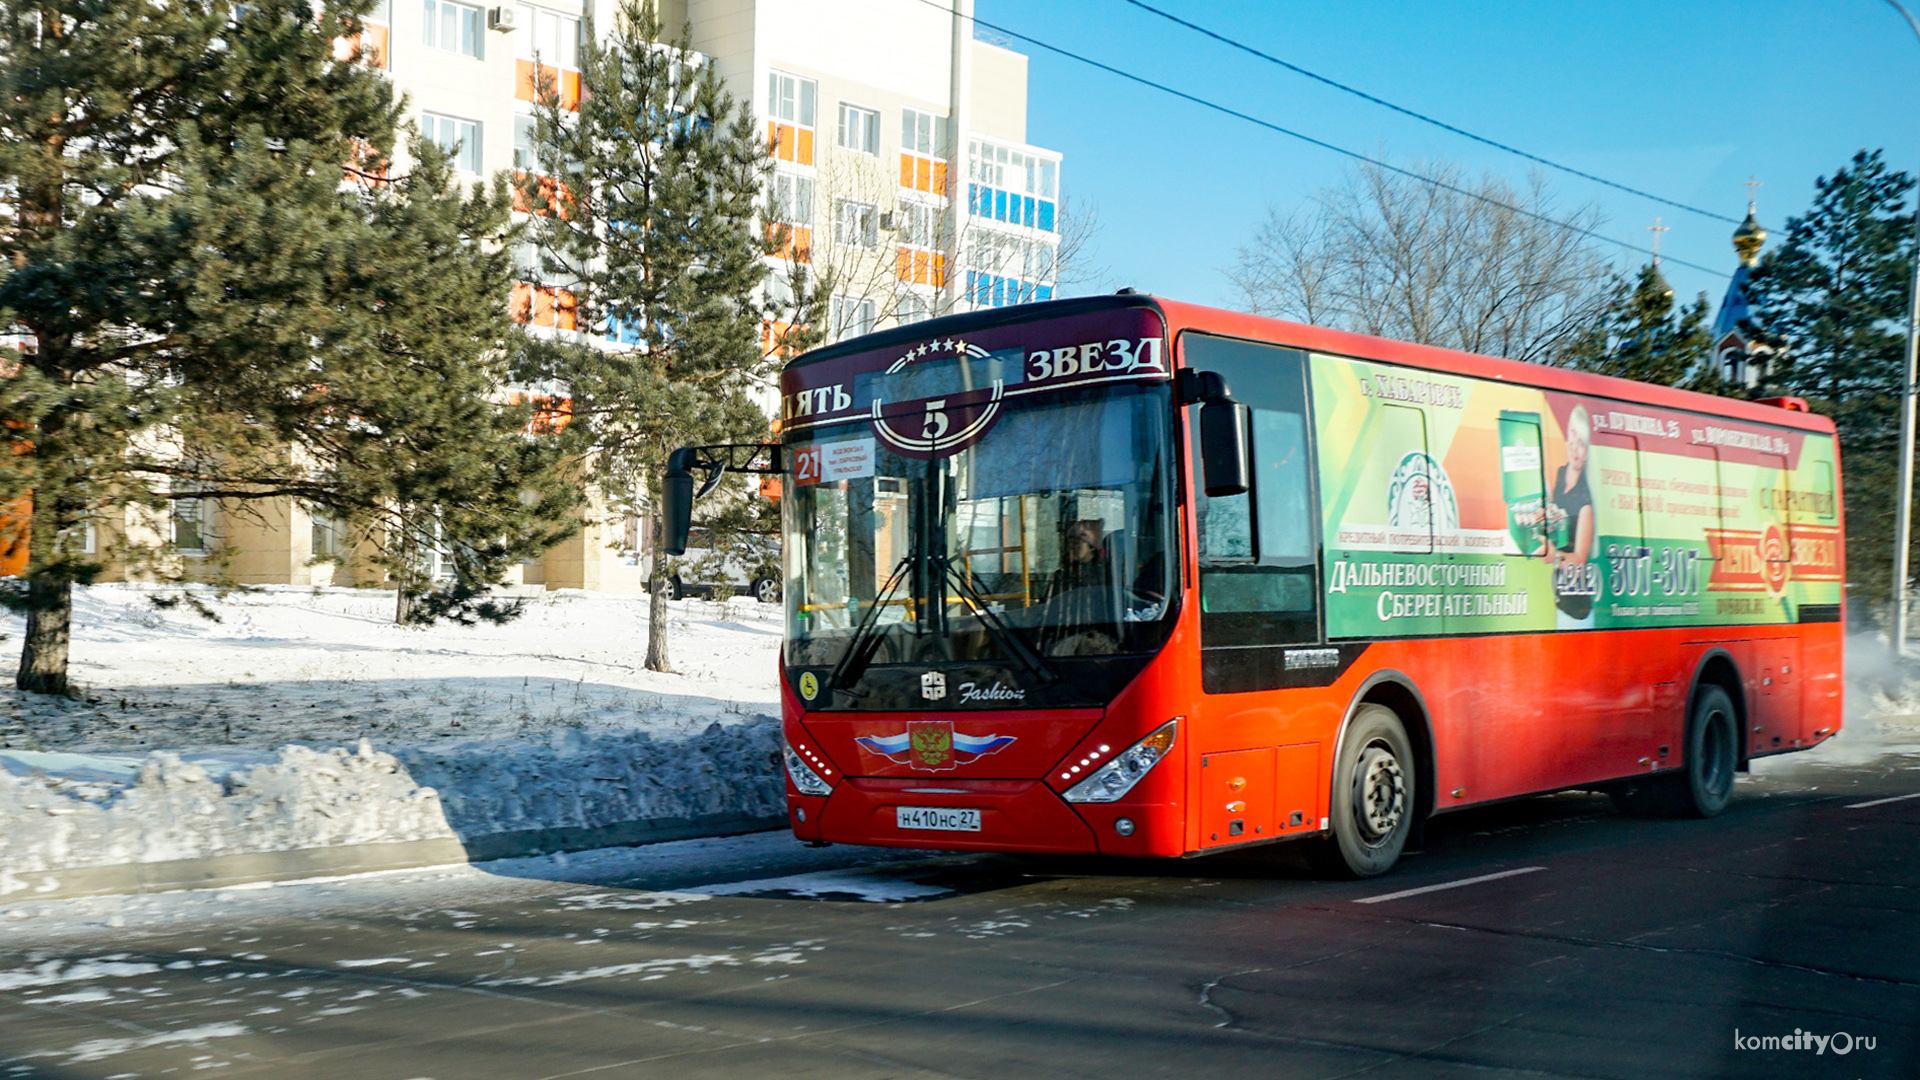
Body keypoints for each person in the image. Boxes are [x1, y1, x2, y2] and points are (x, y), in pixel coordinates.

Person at [1540, 405, 1597, 628]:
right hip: (1560, 599)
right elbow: (1555, 512)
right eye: (1572, 433)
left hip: (1577, 613)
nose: (1575, 446)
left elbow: (1580, 560)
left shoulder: (1585, 501)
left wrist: (1553, 555)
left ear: (1587, 451)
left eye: (1582, 442)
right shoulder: (1561, 473)